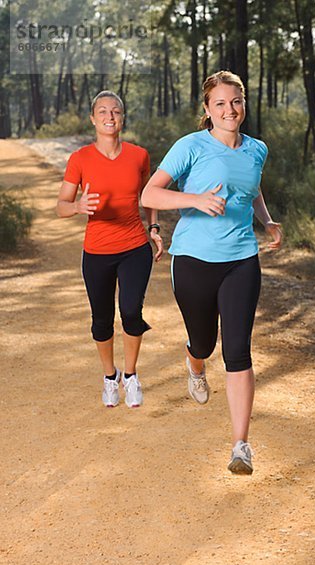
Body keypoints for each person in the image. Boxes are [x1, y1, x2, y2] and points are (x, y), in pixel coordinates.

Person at [141, 71, 282, 474]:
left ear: (244, 103)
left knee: (238, 351)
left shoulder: (257, 149)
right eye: (219, 104)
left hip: (241, 259)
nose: (229, 110)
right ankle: (195, 362)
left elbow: (251, 188)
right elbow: (150, 194)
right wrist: (195, 199)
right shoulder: (191, 146)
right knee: (204, 343)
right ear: (207, 110)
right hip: (193, 260)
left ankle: (241, 445)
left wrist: (267, 222)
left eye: (235, 101)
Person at [57, 90, 163, 408]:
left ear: (123, 117)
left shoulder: (139, 155)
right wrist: (77, 206)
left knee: (131, 312)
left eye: (115, 111)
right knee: (101, 320)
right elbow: (61, 205)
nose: (109, 117)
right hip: (97, 251)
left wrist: (154, 228)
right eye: (102, 112)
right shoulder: (80, 159)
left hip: (134, 247)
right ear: (93, 119)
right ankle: (109, 377)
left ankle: (130, 376)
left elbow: (149, 196)